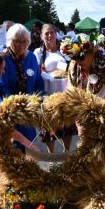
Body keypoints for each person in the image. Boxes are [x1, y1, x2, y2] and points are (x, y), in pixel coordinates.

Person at [61, 33, 105, 155]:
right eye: (73, 57)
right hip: (86, 125)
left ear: (93, 51)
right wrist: (79, 125)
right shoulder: (74, 68)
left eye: (81, 56)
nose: (77, 60)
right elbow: (74, 98)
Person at [0, 23, 44, 152]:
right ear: (9, 41)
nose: (21, 45)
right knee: (13, 152)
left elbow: (38, 83)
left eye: (25, 41)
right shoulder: (3, 59)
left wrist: (41, 102)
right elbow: (2, 87)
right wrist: (14, 108)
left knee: (29, 150)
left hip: (28, 113)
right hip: (10, 113)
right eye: (16, 41)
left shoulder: (32, 58)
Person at [34, 24, 70, 153]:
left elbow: (70, 66)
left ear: (56, 34)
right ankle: (51, 155)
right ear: (42, 36)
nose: (49, 35)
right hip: (47, 94)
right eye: (46, 33)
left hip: (64, 93)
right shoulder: (39, 52)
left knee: (66, 124)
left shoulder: (64, 49)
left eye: (52, 33)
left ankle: (66, 153)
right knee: (48, 125)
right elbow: (37, 71)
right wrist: (50, 77)